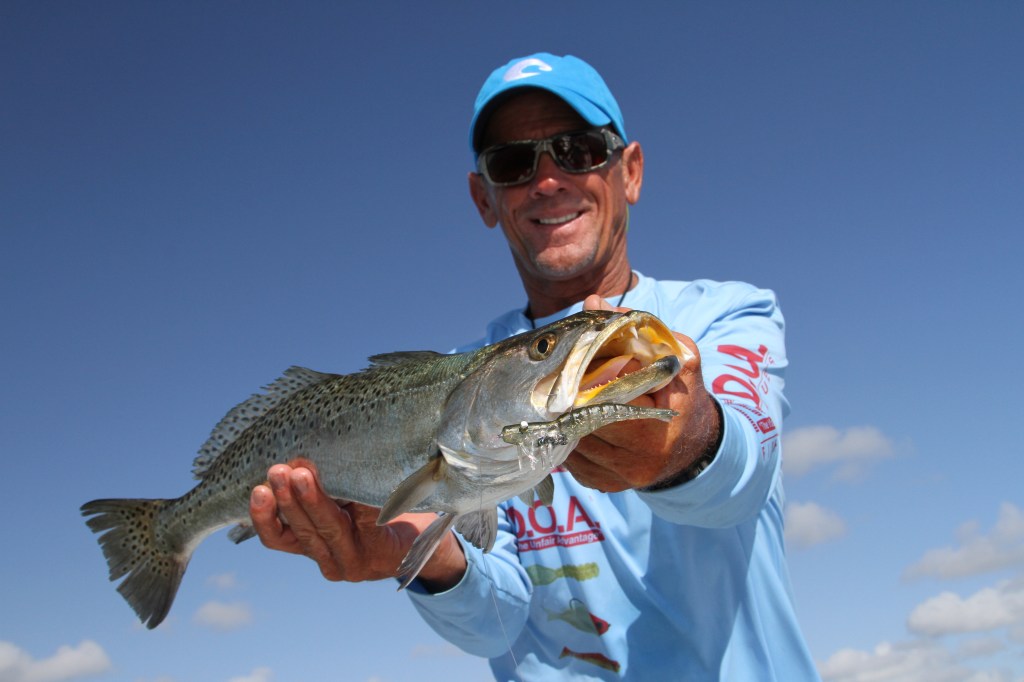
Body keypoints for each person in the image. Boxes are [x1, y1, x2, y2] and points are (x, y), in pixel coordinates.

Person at [249, 53, 820, 681]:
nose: (547, 181)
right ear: (484, 198)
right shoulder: (462, 384)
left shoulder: (726, 314)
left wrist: (688, 442)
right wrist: (425, 556)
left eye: (578, 150)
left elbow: (744, 475)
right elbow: (496, 622)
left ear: (630, 171)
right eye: (513, 163)